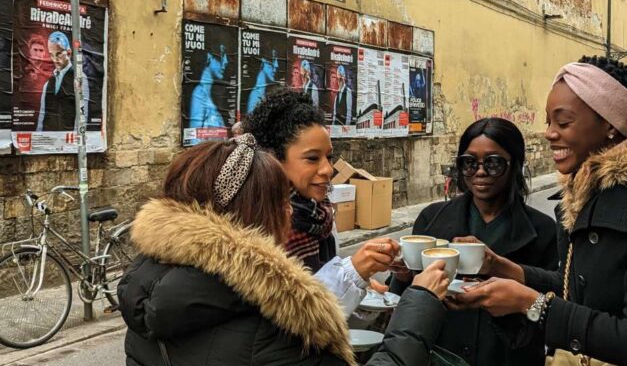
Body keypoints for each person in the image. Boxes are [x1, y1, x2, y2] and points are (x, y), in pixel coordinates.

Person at [449, 56, 627, 366]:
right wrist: (503, 268)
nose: (550, 133)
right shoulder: (586, 192)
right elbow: (580, 289)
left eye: (563, 122)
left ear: (610, 124)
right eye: (548, 122)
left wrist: (531, 304)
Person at [118, 137, 451, 365]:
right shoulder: (274, 326)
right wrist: (418, 307)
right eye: (280, 201)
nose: (290, 210)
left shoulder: (150, 287)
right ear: (249, 214)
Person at [389, 118, 558, 366]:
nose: (480, 171)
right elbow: (405, 302)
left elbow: (550, 308)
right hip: (442, 355)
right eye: (469, 163)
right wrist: (402, 275)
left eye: (493, 163)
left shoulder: (543, 231)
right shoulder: (431, 220)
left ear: (515, 164)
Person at [245, 88, 400, 315]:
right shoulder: (257, 226)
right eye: (312, 158)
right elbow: (286, 316)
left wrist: (360, 289)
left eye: (329, 157)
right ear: (275, 160)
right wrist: (352, 272)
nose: (328, 169)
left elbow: (323, 284)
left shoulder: (319, 213)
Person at [36, 31, 90, 132]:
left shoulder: (80, 78)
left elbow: (83, 115)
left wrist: (76, 138)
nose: (55, 59)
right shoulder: (47, 84)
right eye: (51, 55)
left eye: (59, 54)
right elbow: (42, 117)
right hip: (48, 139)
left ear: (69, 53)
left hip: (69, 138)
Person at [188, 44, 227, 130]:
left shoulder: (210, 96)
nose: (226, 61)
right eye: (221, 55)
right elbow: (194, 135)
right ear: (209, 57)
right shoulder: (199, 93)